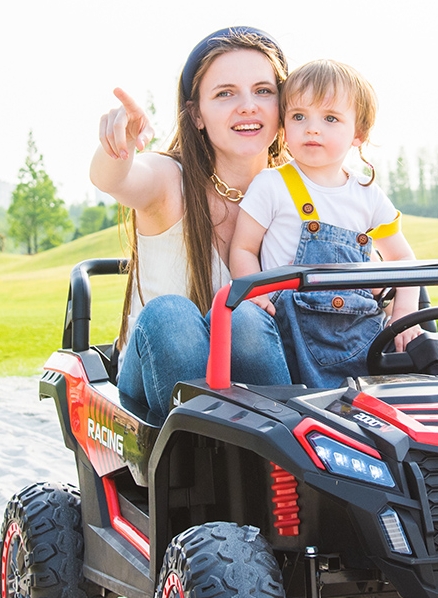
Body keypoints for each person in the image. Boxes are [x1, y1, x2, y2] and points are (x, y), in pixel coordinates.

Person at [90, 26, 293, 421]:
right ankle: (202, 472)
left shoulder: (301, 194)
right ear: (197, 115)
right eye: (225, 93)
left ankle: (284, 469)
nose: (248, 105)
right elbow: (113, 179)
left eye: (263, 91)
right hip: (153, 390)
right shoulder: (169, 181)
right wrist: (117, 147)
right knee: (172, 317)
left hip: (263, 399)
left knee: (248, 318)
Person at [229, 59, 420, 389]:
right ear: (284, 125)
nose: (312, 128)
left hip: (358, 337)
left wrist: (403, 312)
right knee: (245, 322)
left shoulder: (368, 194)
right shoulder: (272, 184)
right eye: (299, 116)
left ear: (358, 134)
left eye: (330, 118)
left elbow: (402, 260)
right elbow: (243, 248)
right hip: (286, 333)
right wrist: (253, 292)